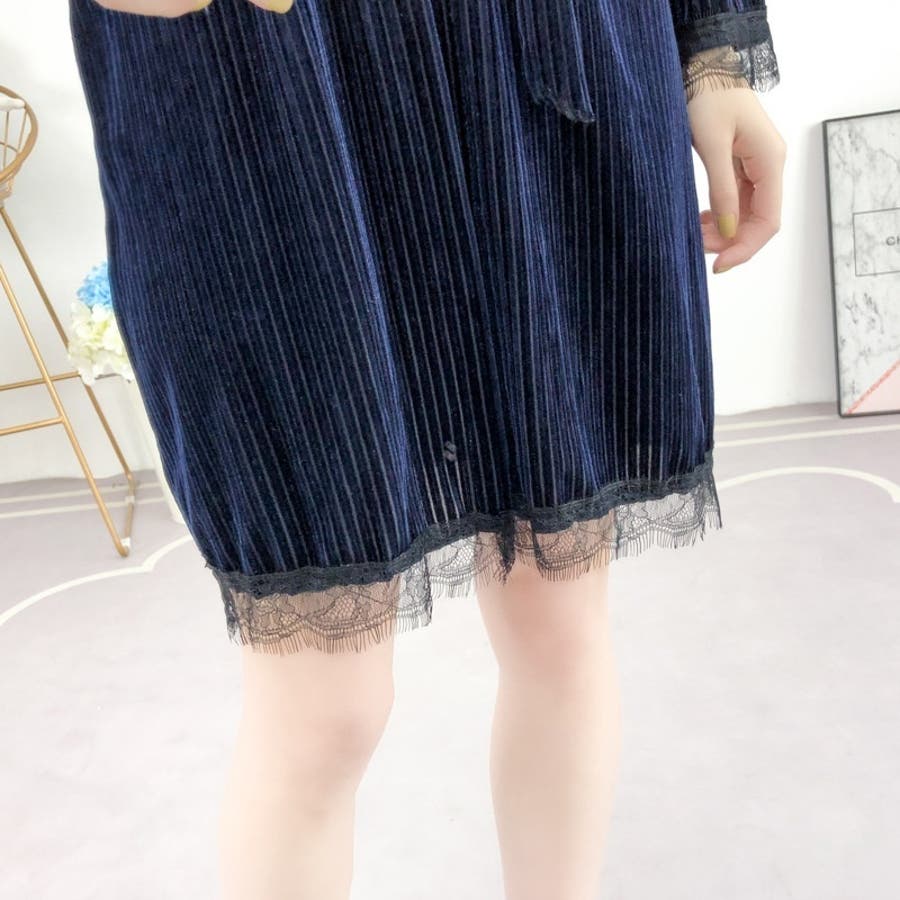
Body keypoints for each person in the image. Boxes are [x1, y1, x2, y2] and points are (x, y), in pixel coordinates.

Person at [69, 1, 786, 898]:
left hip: (542, 63)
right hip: (265, 91)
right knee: (324, 710)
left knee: (560, 621)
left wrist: (711, 51)